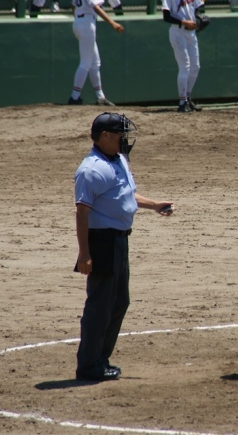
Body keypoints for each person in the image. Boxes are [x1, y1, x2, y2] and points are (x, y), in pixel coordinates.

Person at [74, 112, 175, 381]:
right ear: (105, 136)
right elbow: (82, 213)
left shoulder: (118, 159)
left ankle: (101, 359)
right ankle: (88, 365)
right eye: (120, 134)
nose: (125, 139)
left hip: (120, 240)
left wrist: (154, 205)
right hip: (102, 242)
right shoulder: (91, 170)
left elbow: (125, 195)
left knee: (119, 302)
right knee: (100, 306)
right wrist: (84, 253)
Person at [68, 0, 124, 106]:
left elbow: (73, 6)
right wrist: (112, 23)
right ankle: (74, 97)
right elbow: (96, 8)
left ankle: (100, 97)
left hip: (79, 21)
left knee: (95, 62)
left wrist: (78, 21)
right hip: (87, 23)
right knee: (86, 63)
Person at [161, 0, 205, 113]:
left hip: (191, 33)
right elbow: (166, 16)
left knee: (195, 66)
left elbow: (197, 8)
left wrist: (199, 18)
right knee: (185, 66)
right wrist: (183, 22)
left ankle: (187, 98)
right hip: (178, 32)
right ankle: (182, 102)